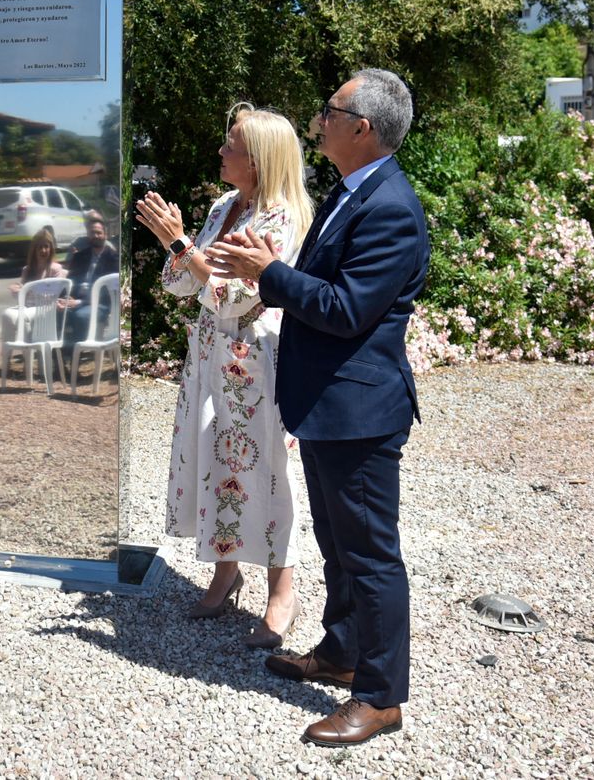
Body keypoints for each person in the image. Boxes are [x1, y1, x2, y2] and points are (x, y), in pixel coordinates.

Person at [207, 69, 429, 747]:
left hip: (360, 408)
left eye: (331, 111)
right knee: (337, 546)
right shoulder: (352, 190)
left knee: (371, 555)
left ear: (362, 128)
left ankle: (381, 695)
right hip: (328, 404)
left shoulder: (390, 207)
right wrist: (273, 270)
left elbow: (346, 309)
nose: (318, 120)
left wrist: (265, 274)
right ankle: (341, 651)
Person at [136, 104, 313, 648]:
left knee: (265, 468)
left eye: (230, 144)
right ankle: (225, 570)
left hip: (253, 360)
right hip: (210, 354)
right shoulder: (226, 205)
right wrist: (183, 249)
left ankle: (282, 590)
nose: (220, 151)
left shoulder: (280, 219)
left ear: (257, 160)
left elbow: (236, 295)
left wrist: (182, 246)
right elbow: (184, 286)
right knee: (214, 457)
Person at [58, 217, 117, 350]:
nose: (95, 235)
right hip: (74, 301)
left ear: (105, 235)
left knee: (79, 315)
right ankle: (57, 358)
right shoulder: (80, 257)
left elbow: (106, 293)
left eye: (99, 232)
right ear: (88, 235)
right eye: (92, 232)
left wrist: (79, 302)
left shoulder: (113, 259)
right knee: (56, 312)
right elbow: (70, 280)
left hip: (100, 304)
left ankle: (74, 355)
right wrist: (64, 298)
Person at [1, 227, 66, 344]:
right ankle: (6, 355)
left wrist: (28, 289)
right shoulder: (27, 270)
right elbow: (23, 298)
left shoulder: (56, 269)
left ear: (51, 249)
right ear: (34, 250)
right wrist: (17, 291)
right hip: (27, 307)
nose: (43, 250)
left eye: (46, 246)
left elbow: (52, 295)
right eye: (39, 247)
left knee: (23, 318)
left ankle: (27, 353)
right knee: (7, 315)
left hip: (46, 308)